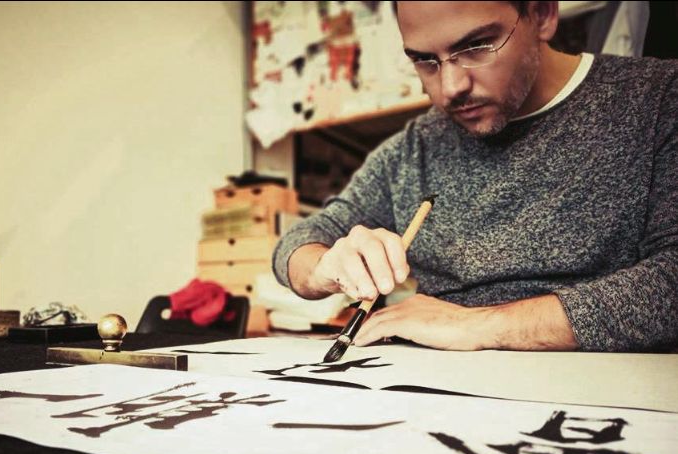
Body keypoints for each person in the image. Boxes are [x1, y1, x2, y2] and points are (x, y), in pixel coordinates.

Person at [272, 1, 678, 352]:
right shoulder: (416, 147)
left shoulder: (658, 100)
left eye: (476, 47)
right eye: (424, 60)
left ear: (542, 14)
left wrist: (481, 325)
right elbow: (296, 244)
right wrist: (325, 265)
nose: (451, 87)